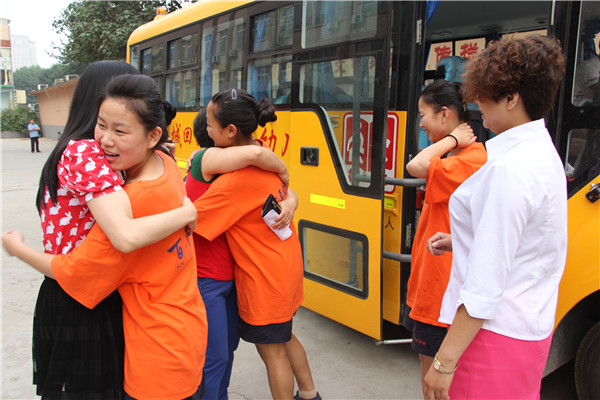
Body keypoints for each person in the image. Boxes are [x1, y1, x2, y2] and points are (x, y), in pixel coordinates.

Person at [2, 74, 207, 400]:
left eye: (120, 131)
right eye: (101, 126)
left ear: (153, 135)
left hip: (157, 355)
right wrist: (187, 211)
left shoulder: (129, 208)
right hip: (187, 328)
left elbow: (73, 271)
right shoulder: (165, 165)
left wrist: (17, 248)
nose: (104, 141)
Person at [423, 35, 567, 400]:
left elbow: (486, 281)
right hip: (527, 328)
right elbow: (528, 239)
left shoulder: (509, 168)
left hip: (491, 336)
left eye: (484, 93)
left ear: (512, 98)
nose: (476, 103)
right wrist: (462, 239)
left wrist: (444, 361)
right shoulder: (542, 151)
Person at [193, 88, 320, 400]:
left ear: (230, 131)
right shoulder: (263, 154)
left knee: (272, 351)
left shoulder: (236, 179)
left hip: (265, 277)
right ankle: (309, 394)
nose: (206, 131)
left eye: (209, 125)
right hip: (284, 265)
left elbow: (192, 221)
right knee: (285, 336)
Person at [404, 79, 487, 397]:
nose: (420, 123)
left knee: (436, 383)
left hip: (442, 291)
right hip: (431, 284)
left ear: (444, 114)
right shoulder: (455, 155)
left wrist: (452, 138)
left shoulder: (471, 158)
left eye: (423, 114)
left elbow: (415, 165)